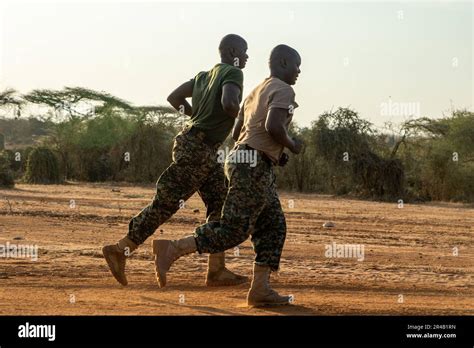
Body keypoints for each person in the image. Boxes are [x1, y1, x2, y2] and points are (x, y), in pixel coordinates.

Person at [153, 44, 303, 307]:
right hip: (252, 165)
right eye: (296, 65)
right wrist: (292, 144)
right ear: (281, 63)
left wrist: (275, 153)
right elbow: (273, 126)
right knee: (234, 229)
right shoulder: (284, 89)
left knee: (273, 225)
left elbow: (237, 134)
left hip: (245, 160)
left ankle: (260, 290)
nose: (299, 71)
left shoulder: (256, 91)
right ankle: (172, 249)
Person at [102, 34, 249, 287]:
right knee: (166, 203)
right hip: (198, 149)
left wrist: (196, 117)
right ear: (232, 50)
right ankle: (120, 249)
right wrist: (245, 121)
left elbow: (174, 98)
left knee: (220, 204)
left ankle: (217, 270)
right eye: (245, 51)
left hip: (198, 146)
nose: (247, 57)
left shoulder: (203, 76)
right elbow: (228, 103)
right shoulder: (234, 73)